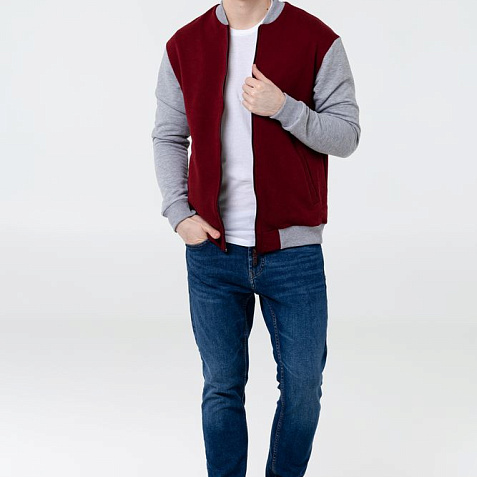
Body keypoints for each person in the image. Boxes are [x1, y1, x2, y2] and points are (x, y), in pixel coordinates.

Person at [151, 0, 361, 475]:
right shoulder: (185, 45)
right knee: (221, 387)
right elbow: (169, 135)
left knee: (304, 387)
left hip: (293, 253)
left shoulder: (316, 40)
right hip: (213, 251)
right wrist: (178, 214)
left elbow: (346, 135)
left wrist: (284, 108)